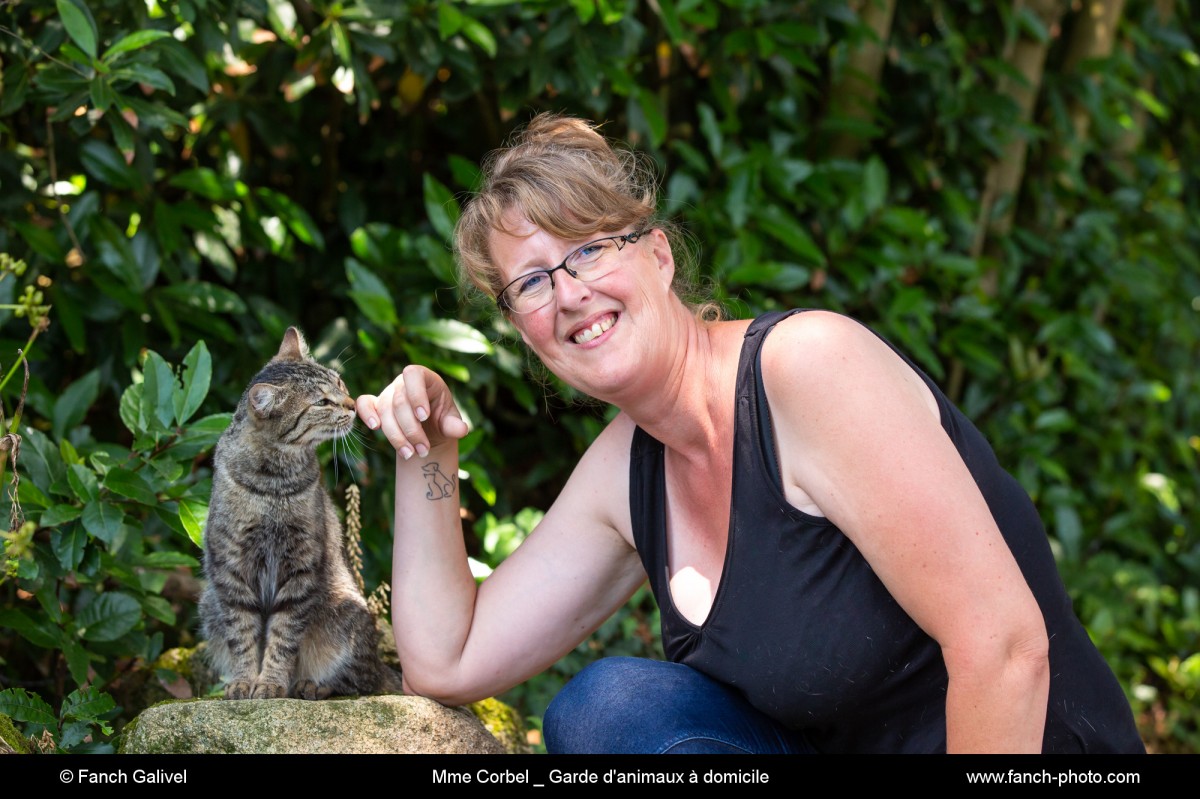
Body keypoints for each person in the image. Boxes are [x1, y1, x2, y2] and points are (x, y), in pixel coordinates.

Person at [355, 114, 1144, 754]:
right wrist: (429, 446)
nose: (569, 293)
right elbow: (446, 659)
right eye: (531, 282)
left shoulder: (809, 370)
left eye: (589, 249)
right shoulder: (626, 469)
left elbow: (1005, 647)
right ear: (525, 332)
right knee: (609, 711)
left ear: (658, 256)